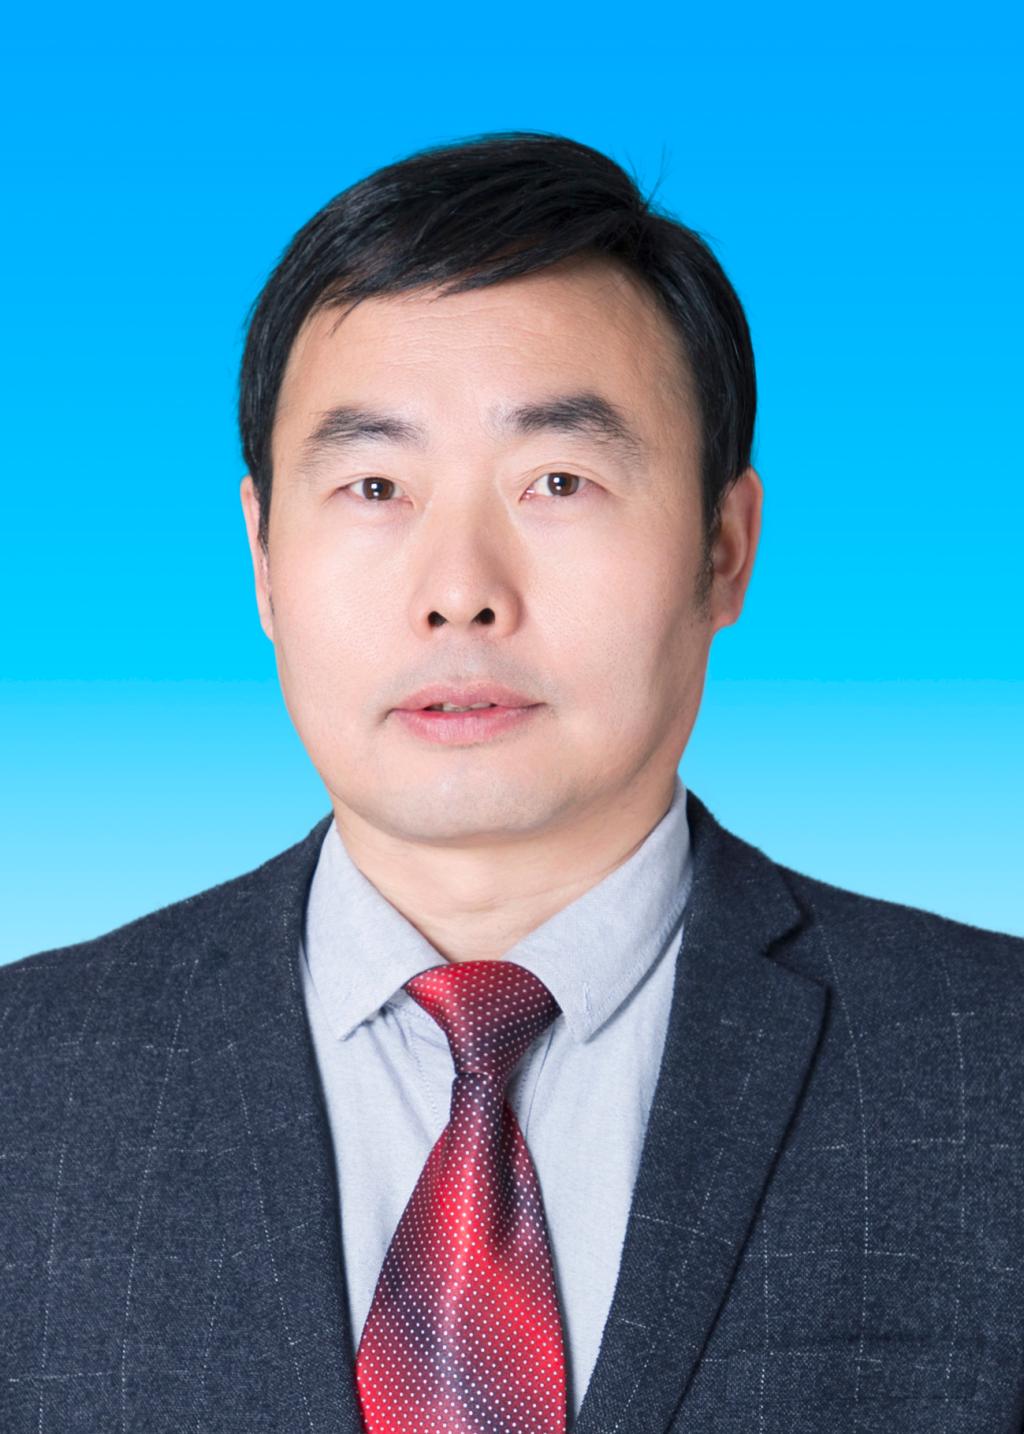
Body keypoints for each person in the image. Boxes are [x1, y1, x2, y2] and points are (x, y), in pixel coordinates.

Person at [2, 132, 1021, 1434]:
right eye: (375, 484)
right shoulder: (27, 1081)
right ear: (261, 555)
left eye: (558, 480)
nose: (460, 592)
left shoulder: (991, 1064)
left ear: (724, 546)